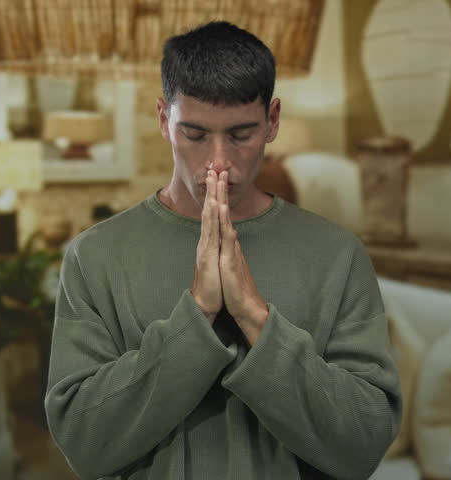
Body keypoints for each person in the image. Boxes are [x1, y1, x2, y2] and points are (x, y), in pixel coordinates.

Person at [45, 21, 401, 480]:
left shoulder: (338, 255)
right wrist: (198, 313)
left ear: (272, 121)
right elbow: (83, 443)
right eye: (194, 134)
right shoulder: (94, 256)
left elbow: (364, 444)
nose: (218, 162)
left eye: (240, 135)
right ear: (162, 119)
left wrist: (254, 315)